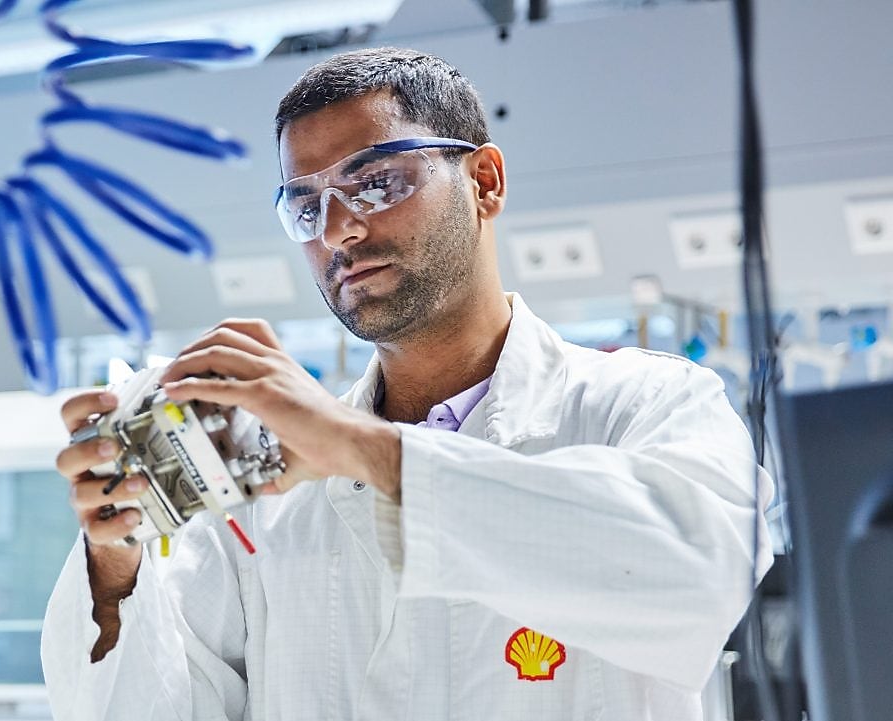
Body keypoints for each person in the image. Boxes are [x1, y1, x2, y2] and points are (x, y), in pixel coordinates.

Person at [41, 47, 773, 721]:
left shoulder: (641, 405)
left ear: (484, 182)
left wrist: (361, 449)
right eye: (307, 205)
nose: (337, 231)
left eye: (377, 181)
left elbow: (701, 577)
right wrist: (115, 562)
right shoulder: (268, 501)